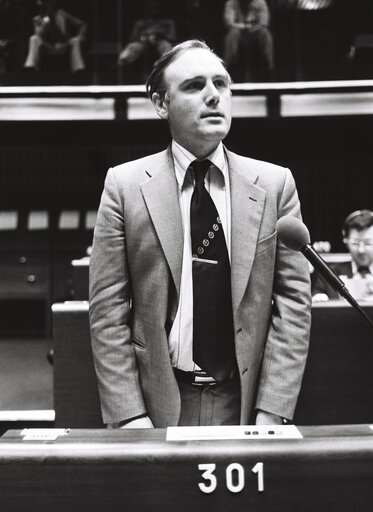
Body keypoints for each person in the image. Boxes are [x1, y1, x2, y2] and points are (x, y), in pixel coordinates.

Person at [89, 39, 311, 429]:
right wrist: (129, 416)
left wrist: (272, 410)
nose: (214, 96)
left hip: (245, 400)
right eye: (194, 86)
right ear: (161, 103)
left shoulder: (275, 184)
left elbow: (293, 304)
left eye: (222, 84)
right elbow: (107, 311)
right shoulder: (124, 187)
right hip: (159, 401)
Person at [312, 210, 373, 301]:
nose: (361, 250)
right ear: (345, 239)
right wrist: (319, 299)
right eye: (355, 242)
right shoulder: (329, 274)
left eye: (368, 243)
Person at [118, 0, 176, 83]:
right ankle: (123, 62)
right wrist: (144, 36)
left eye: (156, 7)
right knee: (134, 46)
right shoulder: (140, 23)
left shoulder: (168, 23)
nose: (153, 10)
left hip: (160, 42)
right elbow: (132, 39)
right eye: (151, 7)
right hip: (143, 43)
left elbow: (172, 38)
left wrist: (160, 35)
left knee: (166, 47)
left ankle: (169, 65)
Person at [24, 0, 87, 74]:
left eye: (51, 2)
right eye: (47, 3)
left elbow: (82, 24)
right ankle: (30, 68)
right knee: (33, 38)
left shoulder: (62, 14)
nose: (50, 4)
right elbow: (39, 35)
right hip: (47, 46)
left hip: (63, 45)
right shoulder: (37, 19)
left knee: (75, 41)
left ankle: (79, 70)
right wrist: (43, 26)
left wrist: (80, 36)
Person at [223, 0, 274, 81]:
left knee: (265, 34)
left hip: (255, 32)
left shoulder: (260, 2)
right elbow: (229, 23)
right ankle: (230, 67)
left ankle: (268, 66)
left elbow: (264, 22)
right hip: (239, 32)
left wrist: (252, 28)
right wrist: (244, 27)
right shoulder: (231, 3)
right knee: (232, 34)